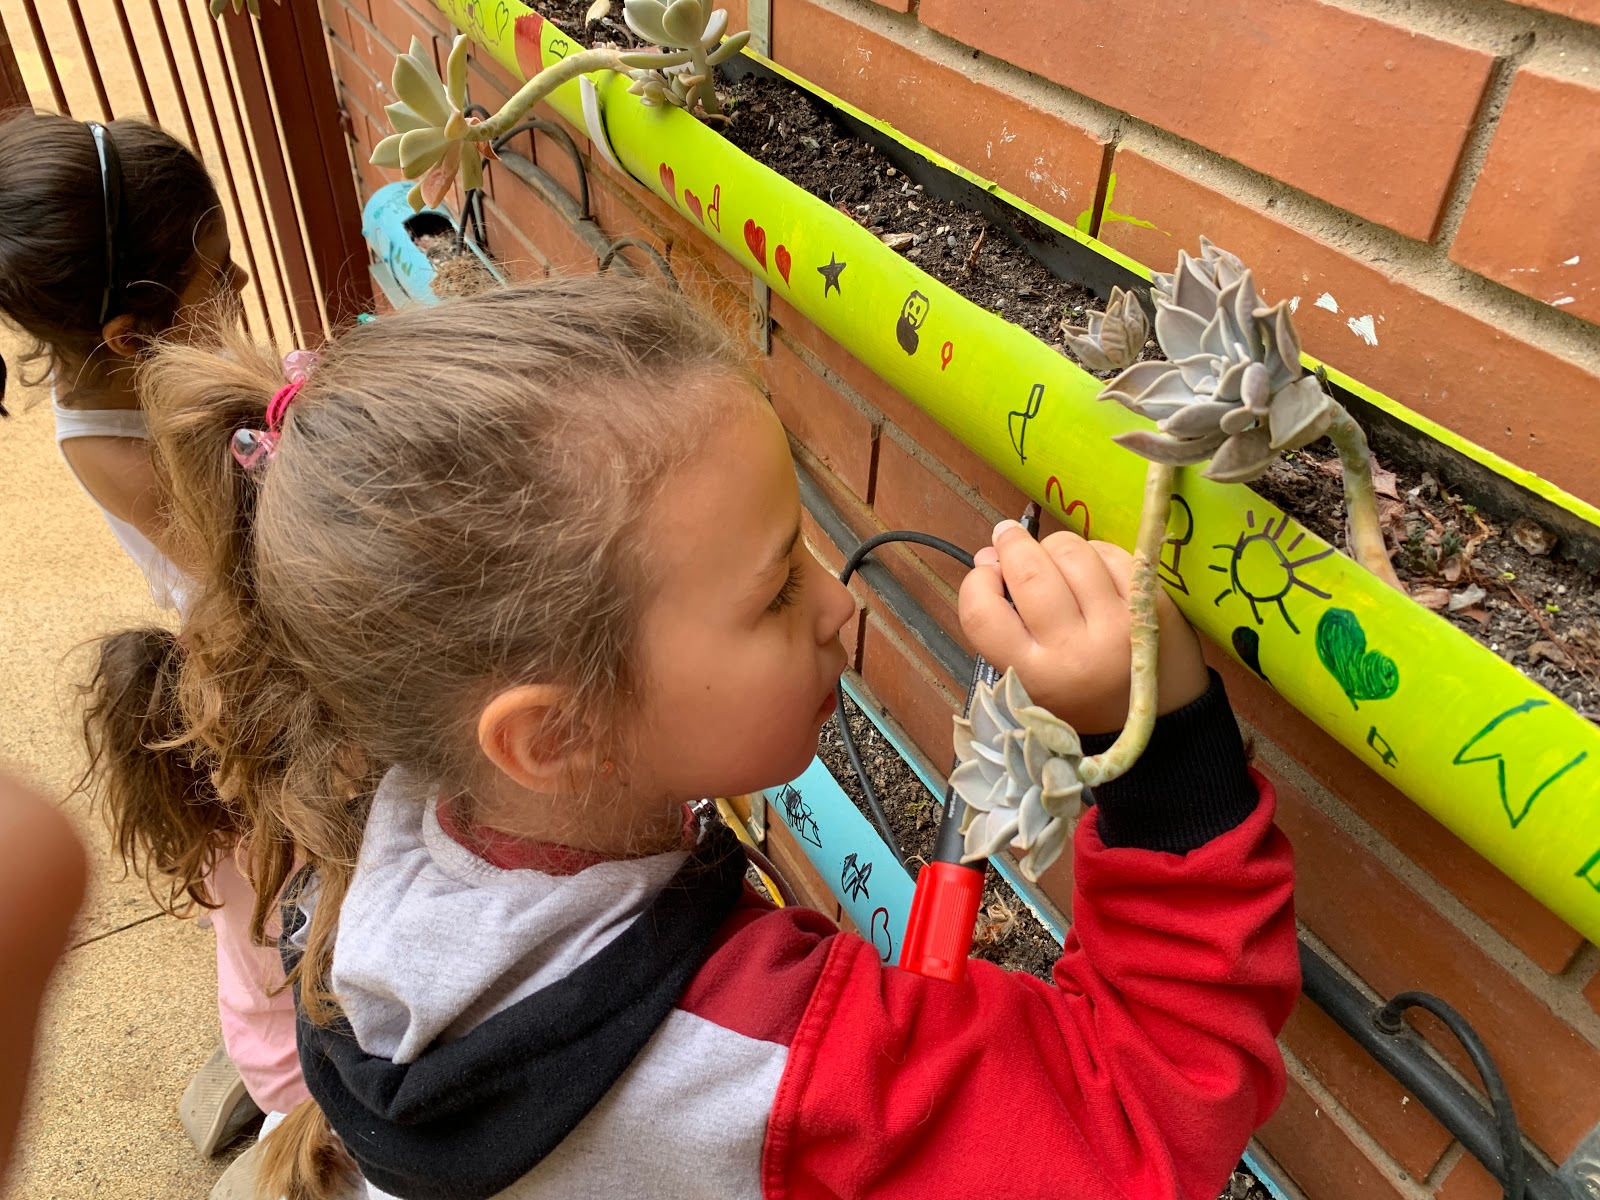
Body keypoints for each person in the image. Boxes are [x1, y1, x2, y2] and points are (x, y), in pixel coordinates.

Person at [132, 277, 1297, 1200]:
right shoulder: (770, 1068)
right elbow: (1140, 1118)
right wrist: (1160, 748)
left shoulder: (394, 826)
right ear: (555, 734)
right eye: (773, 591)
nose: (837, 604)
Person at [0, 110, 306, 1163]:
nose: (242, 287)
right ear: (134, 337)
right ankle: (288, 1095)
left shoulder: (155, 368)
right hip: (254, 679)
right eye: (218, 277)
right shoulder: (109, 442)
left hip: (279, 637)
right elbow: (263, 542)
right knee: (267, 893)